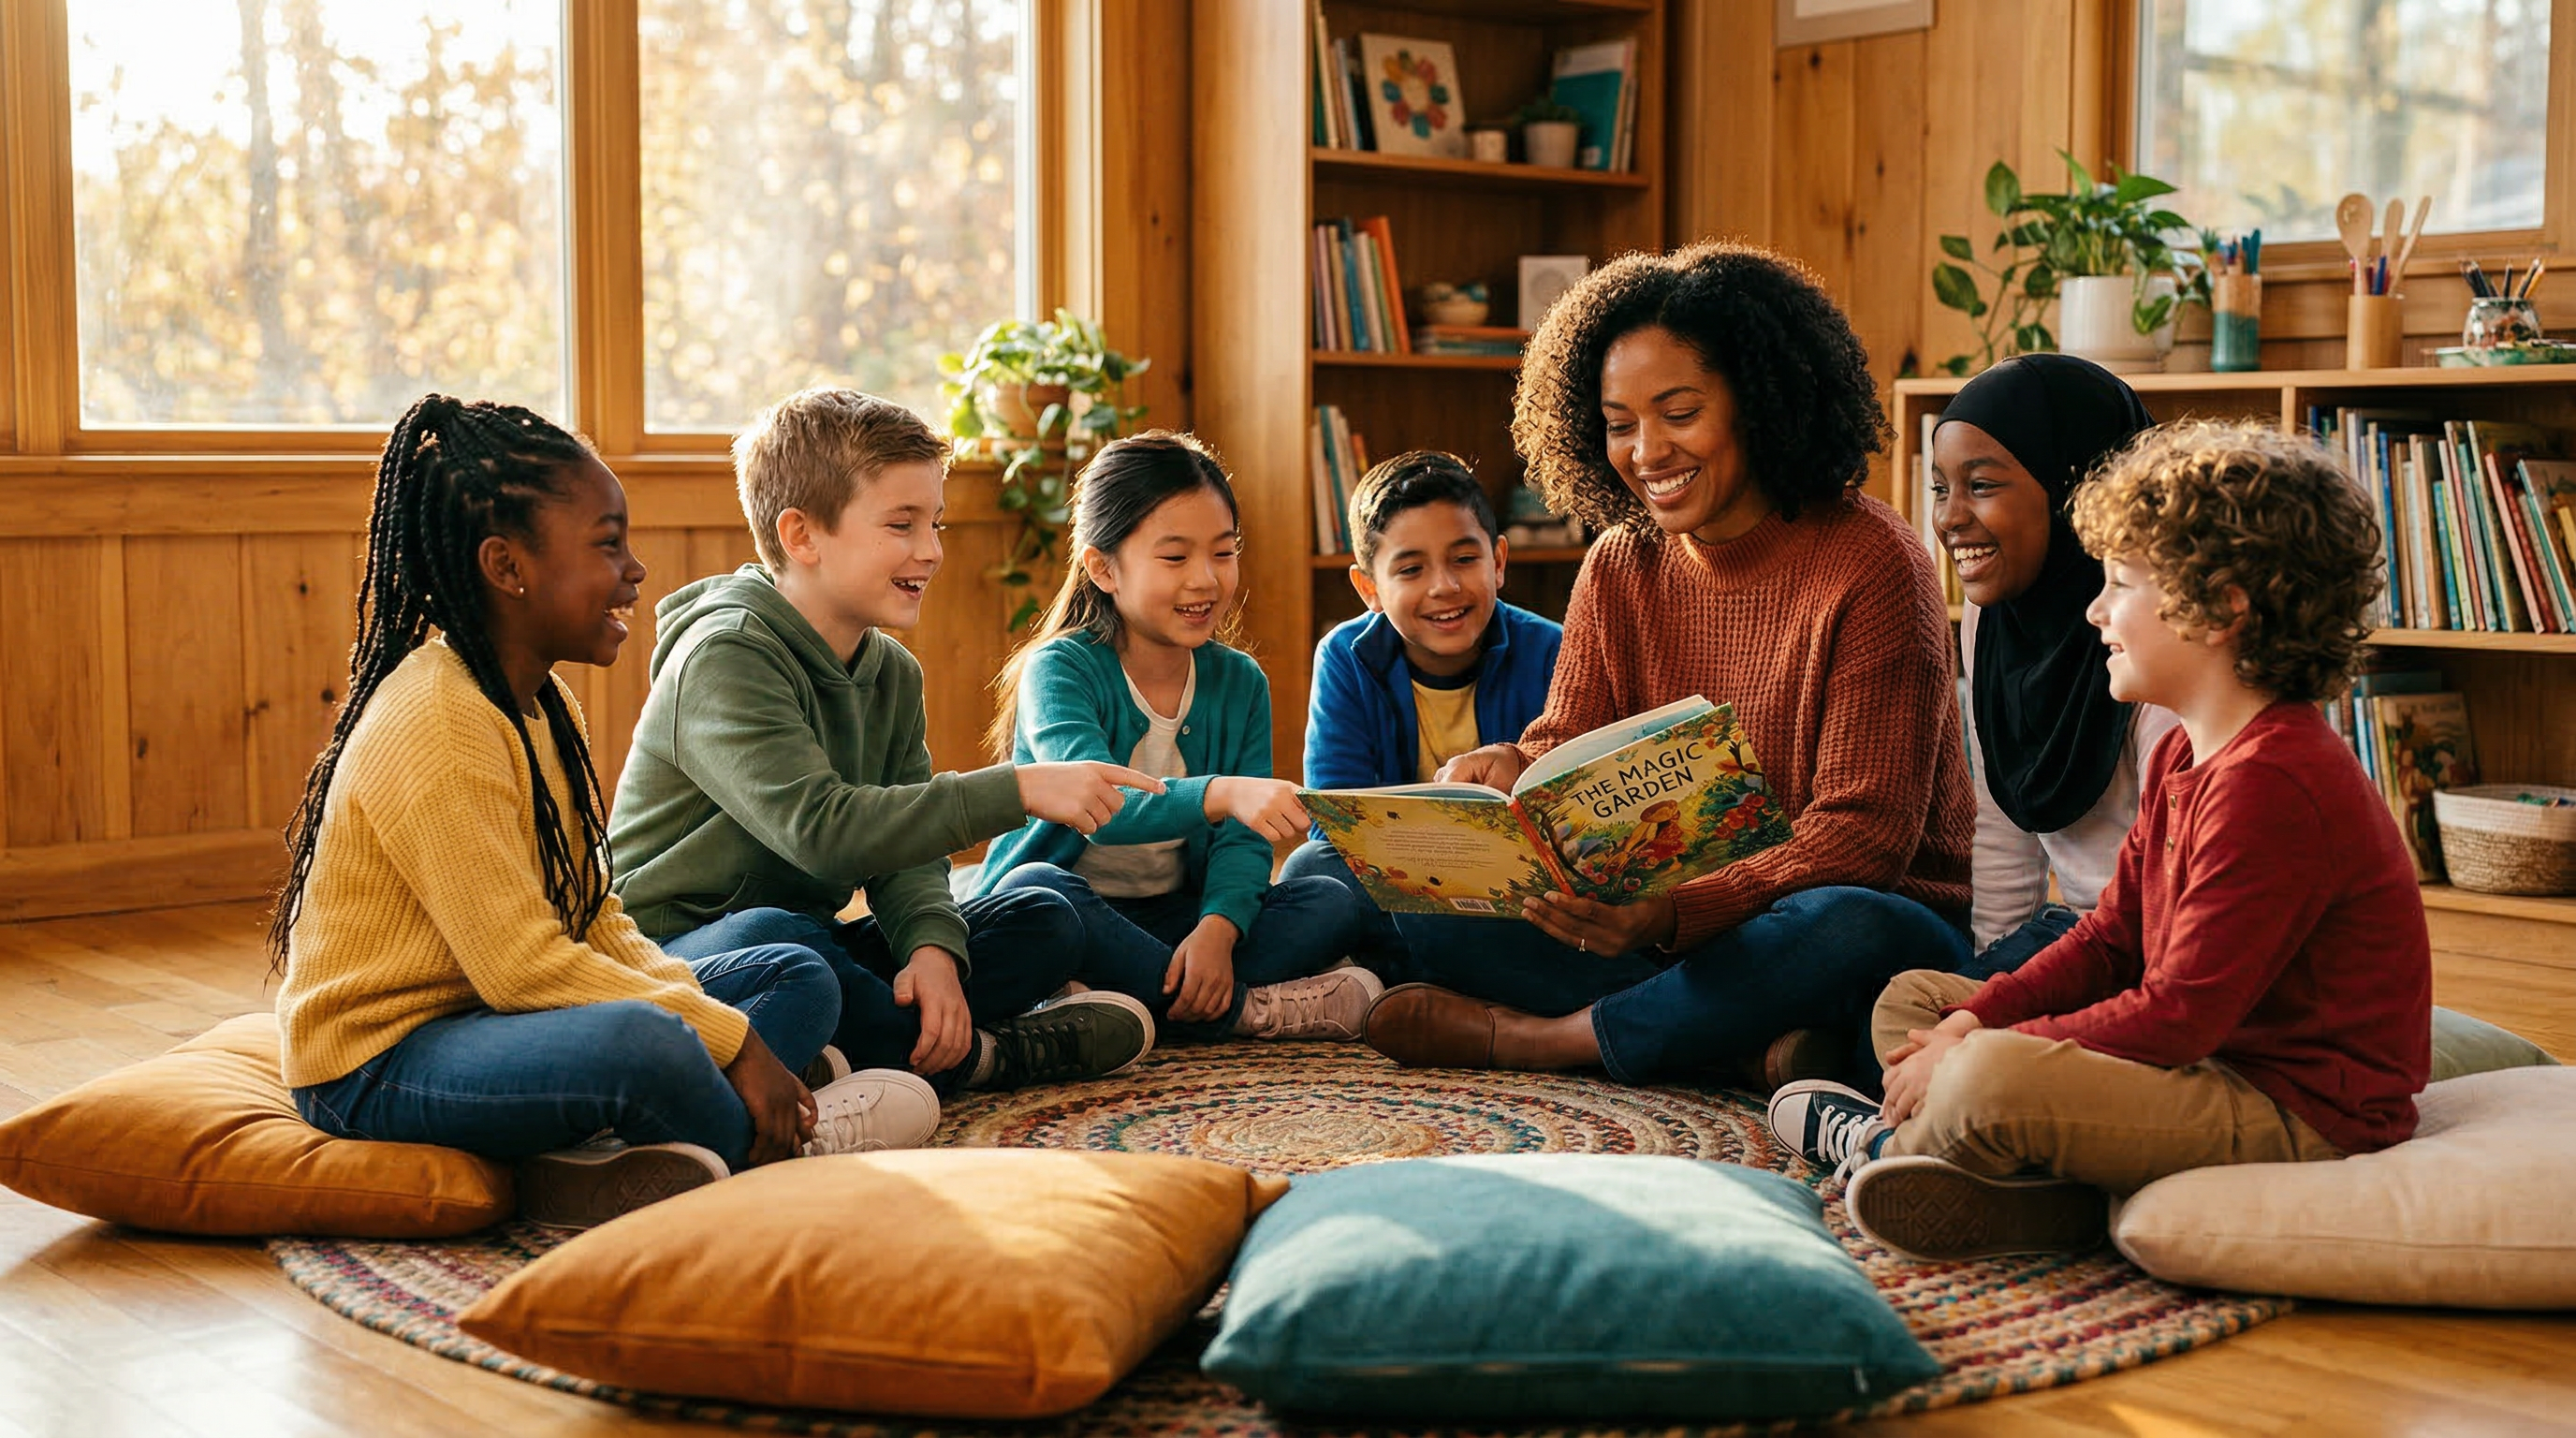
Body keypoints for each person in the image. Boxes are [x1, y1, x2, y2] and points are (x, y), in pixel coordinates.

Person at [1769, 420, 2432, 1262]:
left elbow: (2181, 1015)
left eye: (2119, 583)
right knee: (1916, 1003)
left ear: (2223, 607)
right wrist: (1971, 1016)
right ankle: (2040, 1194)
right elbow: (2112, 937)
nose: (2093, 610)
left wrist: (1983, 1049)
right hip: (2204, 1065)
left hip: (2293, 1109)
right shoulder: (2189, 750)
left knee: (1984, 1076)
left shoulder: (2274, 782)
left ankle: (1883, 1149)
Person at [275, 395, 928, 1232]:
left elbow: (595, 918)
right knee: (642, 1044)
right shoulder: (438, 718)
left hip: (493, 1020)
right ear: (508, 568)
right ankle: (788, 1144)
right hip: (382, 1060)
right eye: (606, 545)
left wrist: (725, 1028)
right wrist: (728, 1044)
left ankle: (615, 1154)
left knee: (789, 973)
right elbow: (524, 968)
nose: (635, 569)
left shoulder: (546, 706)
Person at [1360, 242, 1975, 1094]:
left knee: (1845, 928)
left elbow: (1862, 840)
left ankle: (1556, 1040)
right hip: (1655, 921)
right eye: (1618, 424)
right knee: (1425, 902)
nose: (1646, 451)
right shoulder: (1621, 563)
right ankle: (1732, 1048)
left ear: (1759, 403)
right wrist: (1510, 771)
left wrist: (1676, 913)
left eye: (1678, 412)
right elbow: (1565, 741)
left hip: (1839, 917)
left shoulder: (1875, 562)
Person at [607, 388, 1163, 1096]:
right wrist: (1018, 788)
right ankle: (987, 1059)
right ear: (801, 536)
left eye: (935, 524)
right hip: (681, 956)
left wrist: (931, 949)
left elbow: (906, 852)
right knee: (786, 950)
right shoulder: (725, 655)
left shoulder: (892, 672)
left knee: (1044, 912)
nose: (930, 551)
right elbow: (823, 833)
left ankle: (844, 1059)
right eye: (901, 526)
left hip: (810, 944)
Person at [980, 432, 1387, 1043]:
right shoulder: (1059, 669)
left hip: (1174, 919)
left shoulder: (1239, 680)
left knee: (1331, 899)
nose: (1205, 579)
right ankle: (1244, 1013)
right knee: (1032, 894)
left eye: (1224, 553)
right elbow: (1101, 806)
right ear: (1103, 568)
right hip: (1074, 911)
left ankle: (1113, 1003)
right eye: (1175, 558)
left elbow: (1241, 845)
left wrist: (1217, 933)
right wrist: (1220, 792)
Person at [1928, 355, 2181, 977]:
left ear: (2074, 490)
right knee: (1922, 1011)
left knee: (1941, 1036)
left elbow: (2179, 887)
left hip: (2161, 939)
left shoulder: (2157, 626)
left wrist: (2001, 1004)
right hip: (2080, 931)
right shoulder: (1991, 622)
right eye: (1941, 488)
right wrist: (1991, 971)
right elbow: (2002, 820)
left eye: (1981, 486)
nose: (1950, 518)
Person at [1280, 451, 1561, 928]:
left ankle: (1418, 977)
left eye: (1465, 559)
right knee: (1309, 870)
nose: (1444, 586)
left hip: (1521, 891)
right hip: (1402, 883)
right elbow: (1336, 826)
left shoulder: (1551, 648)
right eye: (1411, 570)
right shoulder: (1345, 657)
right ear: (1368, 588)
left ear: (1498, 561)